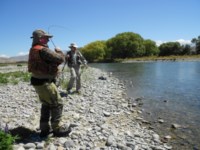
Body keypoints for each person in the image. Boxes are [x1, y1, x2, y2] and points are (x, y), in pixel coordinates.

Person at [28, 29, 70, 137]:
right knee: (57, 104)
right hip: (45, 83)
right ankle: (57, 129)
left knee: (46, 104)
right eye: (45, 37)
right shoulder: (43, 50)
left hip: (38, 82)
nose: (48, 39)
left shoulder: (33, 49)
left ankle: (44, 129)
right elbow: (60, 59)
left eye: (48, 38)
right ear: (39, 38)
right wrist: (59, 51)